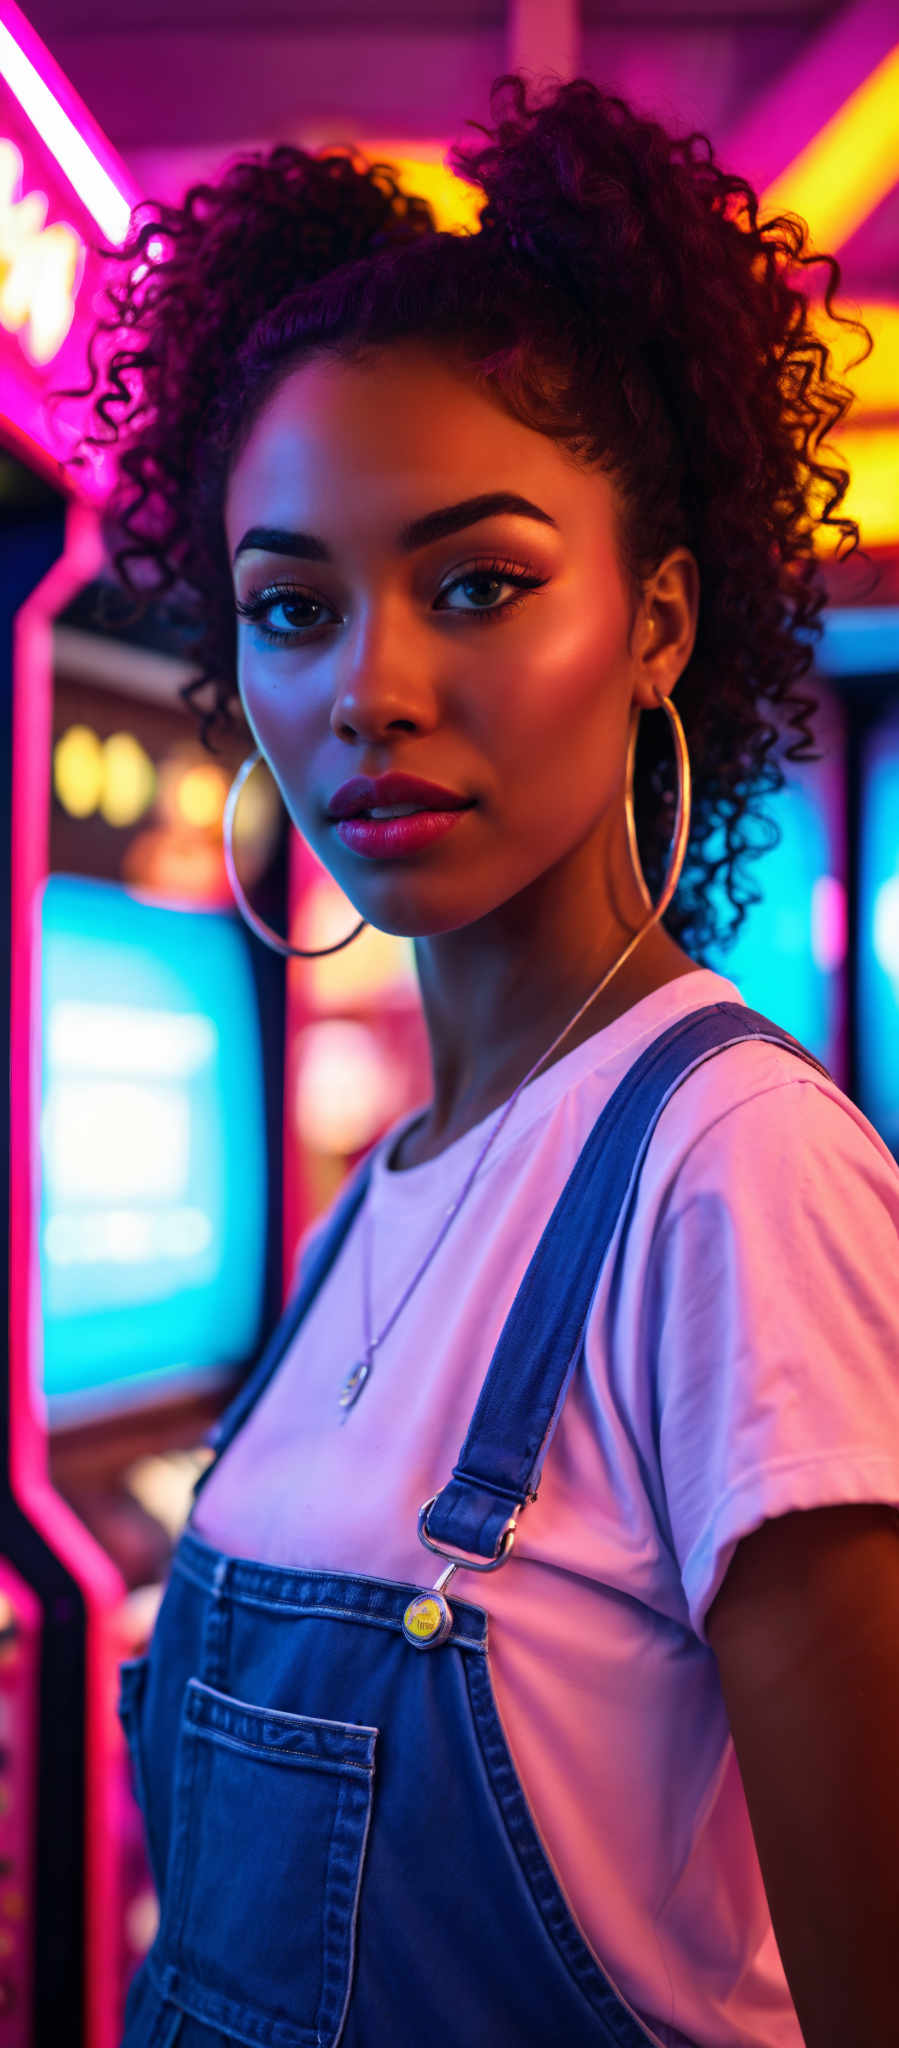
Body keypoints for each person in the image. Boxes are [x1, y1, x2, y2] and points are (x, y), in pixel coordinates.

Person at [64, 70, 899, 2048]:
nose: (369, 690)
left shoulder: (735, 1178)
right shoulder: (395, 1188)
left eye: (476, 584)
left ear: (660, 618)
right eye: (293, 607)